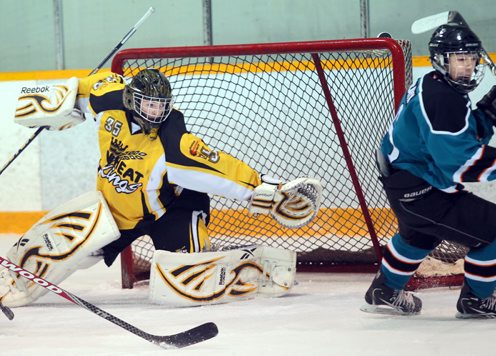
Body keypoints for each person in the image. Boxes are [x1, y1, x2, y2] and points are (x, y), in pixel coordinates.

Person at [0, 68, 322, 307]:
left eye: (161, 105)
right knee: (69, 246)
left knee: (180, 283)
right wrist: (57, 104)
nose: (156, 112)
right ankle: (9, 277)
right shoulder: (108, 101)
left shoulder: (174, 141)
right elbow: (86, 86)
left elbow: (218, 167)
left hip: (172, 212)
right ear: (131, 99)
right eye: (149, 104)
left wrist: (262, 190)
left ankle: (259, 264)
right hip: (116, 211)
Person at [361, 23, 496, 318]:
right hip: (423, 189)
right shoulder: (442, 98)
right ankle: (477, 299)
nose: (468, 65)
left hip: (409, 183)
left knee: (419, 234)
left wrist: (488, 113)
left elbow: (455, 137)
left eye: (472, 58)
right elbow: (460, 164)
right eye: (460, 59)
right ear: (442, 59)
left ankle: (383, 291)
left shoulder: (435, 84)